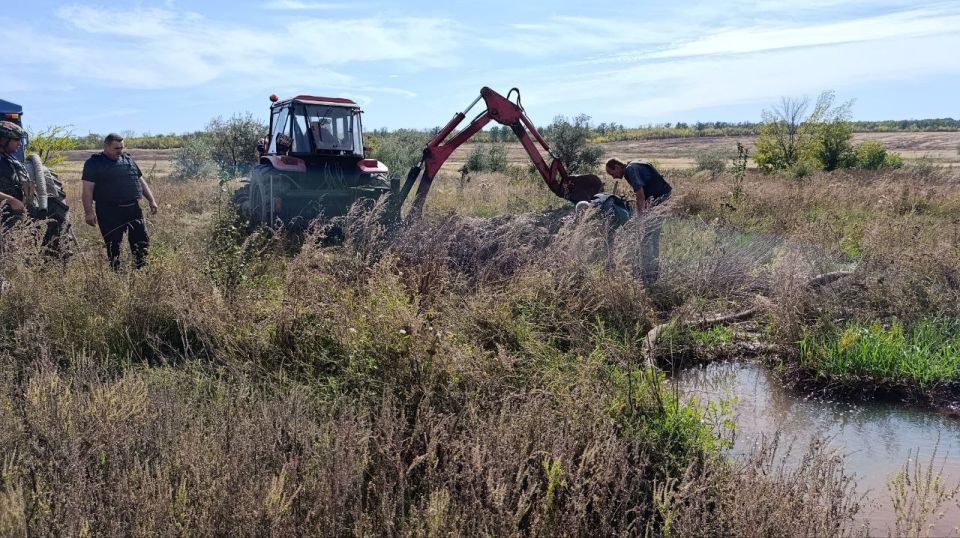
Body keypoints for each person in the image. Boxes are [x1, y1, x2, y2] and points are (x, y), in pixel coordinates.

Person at [81, 133, 158, 270]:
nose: (120, 151)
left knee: (141, 242)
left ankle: (141, 271)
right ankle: (115, 273)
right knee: (113, 245)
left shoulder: (128, 160)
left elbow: (140, 181)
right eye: (116, 148)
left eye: (121, 148)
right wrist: (88, 212)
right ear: (106, 146)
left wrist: (151, 200)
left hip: (133, 209)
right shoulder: (94, 163)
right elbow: (87, 190)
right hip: (109, 211)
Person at [605, 157, 673, 284]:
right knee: (652, 235)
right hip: (660, 198)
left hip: (660, 200)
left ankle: (648, 274)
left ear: (617, 166)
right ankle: (652, 271)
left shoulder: (630, 170)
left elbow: (640, 196)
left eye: (612, 173)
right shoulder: (633, 164)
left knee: (648, 236)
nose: (614, 177)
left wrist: (640, 219)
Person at [0, 121, 29, 229]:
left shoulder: (9, 159)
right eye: (16, 139)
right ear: (3, 139)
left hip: (12, 216)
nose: (20, 143)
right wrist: (11, 200)